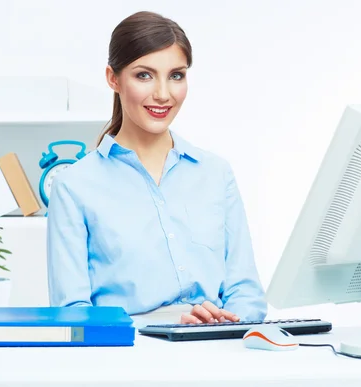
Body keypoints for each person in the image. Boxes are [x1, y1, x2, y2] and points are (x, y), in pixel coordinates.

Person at [46, 11, 268, 325]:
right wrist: (165, 327)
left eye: (176, 75)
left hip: (218, 351)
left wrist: (224, 323)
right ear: (114, 78)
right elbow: (73, 313)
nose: (163, 94)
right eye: (144, 75)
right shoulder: (74, 185)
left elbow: (247, 292)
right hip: (131, 357)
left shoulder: (216, 174)